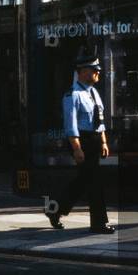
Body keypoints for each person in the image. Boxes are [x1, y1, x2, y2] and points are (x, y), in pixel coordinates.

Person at [45, 53, 114, 234]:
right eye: (94, 70)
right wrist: (77, 149)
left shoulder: (94, 93)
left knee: (84, 180)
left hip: (94, 139)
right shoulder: (72, 95)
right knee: (94, 182)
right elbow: (71, 125)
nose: (98, 73)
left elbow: (100, 120)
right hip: (81, 140)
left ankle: (55, 209)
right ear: (83, 72)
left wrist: (104, 142)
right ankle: (99, 223)